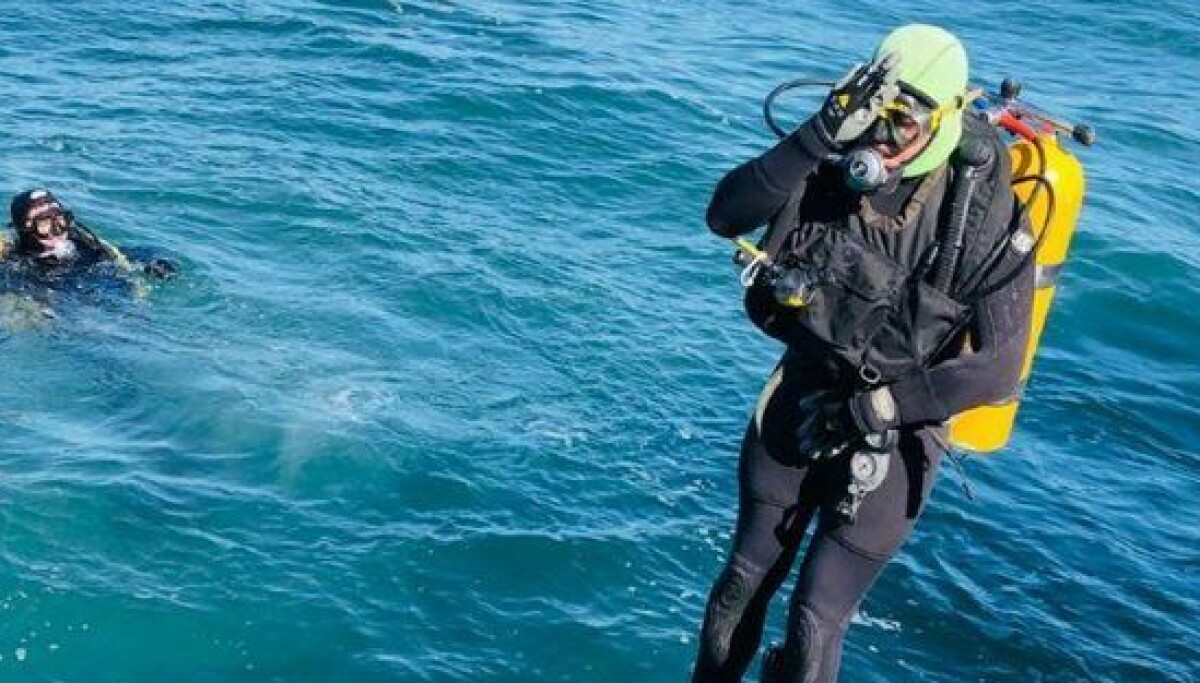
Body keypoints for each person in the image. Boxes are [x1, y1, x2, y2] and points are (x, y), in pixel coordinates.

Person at [690, 25, 1035, 683]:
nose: (880, 136)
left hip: (898, 421)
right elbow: (724, 214)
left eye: (902, 121)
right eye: (875, 111)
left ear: (940, 122)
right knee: (741, 580)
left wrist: (872, 409)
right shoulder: (835, 152)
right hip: (806, 387)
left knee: (815, 619)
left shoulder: (984, 212)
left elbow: (998, 369)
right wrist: (820, 131)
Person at [3, 188, 177, 281]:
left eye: (60, 221)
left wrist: (153, 262)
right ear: (24, 230)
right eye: (44, 224)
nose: (56, 230)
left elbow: (127, 254)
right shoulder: (17, 264)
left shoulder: (84, 242)